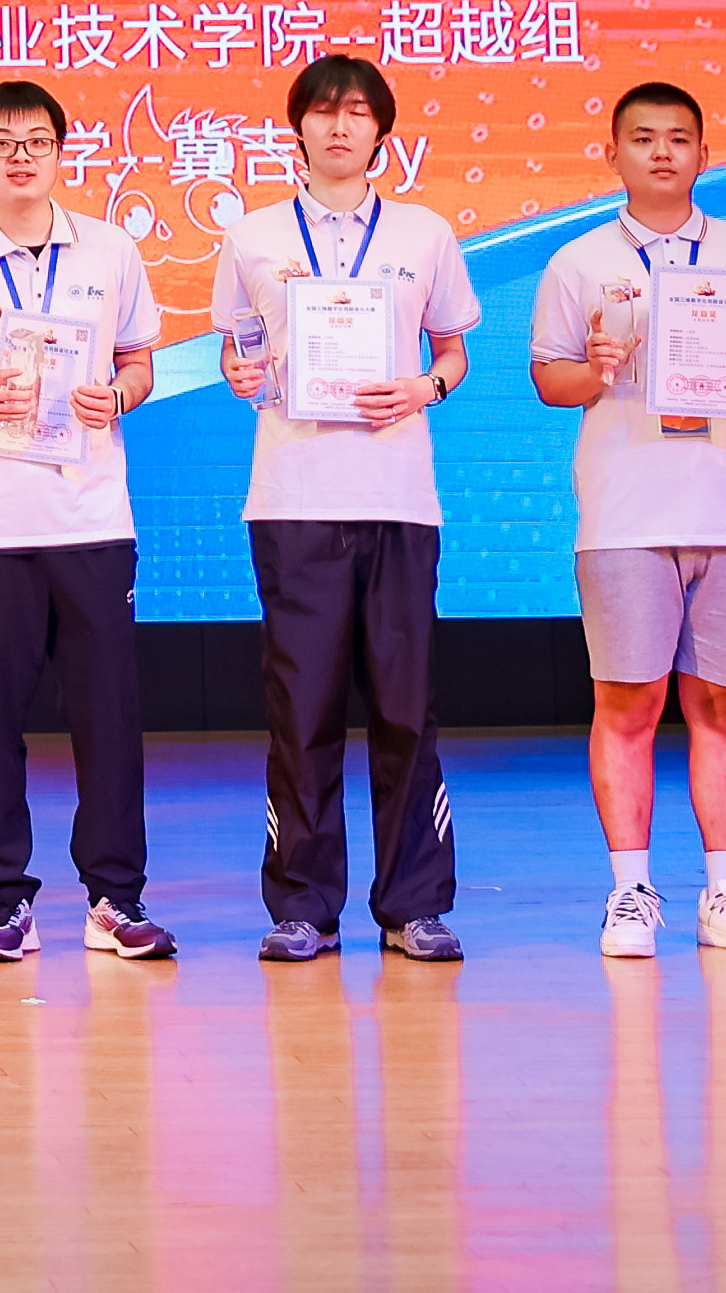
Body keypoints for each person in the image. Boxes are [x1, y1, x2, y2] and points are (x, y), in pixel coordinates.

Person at [533, 80, 726, 960]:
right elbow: (550, 381)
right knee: (628, 703)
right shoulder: (578, 261)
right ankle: (630, 892)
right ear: (612, 153)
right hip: (625, 513)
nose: (662, 152)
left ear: (703, 154)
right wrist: (596, 369)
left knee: (722, 705)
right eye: (644, 138)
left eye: (679, 138)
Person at [0, 79, 169, 964]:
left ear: (61, 153)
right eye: (2, 143)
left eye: (38, 141)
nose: (21, 157)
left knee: (109, 714)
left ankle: (114, 896)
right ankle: (6, 900)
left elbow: (139, 364)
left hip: (92, 516)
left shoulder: (111, 251)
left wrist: (116, 396)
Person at [216, 56, 475, 964]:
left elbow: (453, 351)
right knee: (302, 707)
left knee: (405, 708)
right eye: (324, 112)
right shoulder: (252, 236)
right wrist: (241, 372)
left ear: (381, 133)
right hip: (293, 496)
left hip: (398, 496)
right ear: (297, 129)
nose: (339, 127)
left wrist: (425, 387)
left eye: (358, 113)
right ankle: (303, 905)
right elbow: (240, 349)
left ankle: (414, 906)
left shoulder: (424, 233)